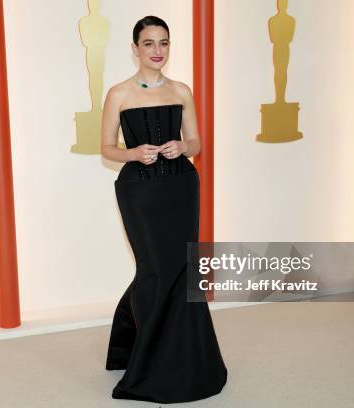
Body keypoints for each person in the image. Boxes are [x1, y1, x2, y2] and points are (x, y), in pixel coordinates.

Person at [101, 15, 228, 404]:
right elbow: (106, 148)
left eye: (164, 43)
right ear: (135, 48)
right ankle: (142, 353)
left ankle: (185, 357)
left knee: (182, 267)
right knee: (154, 268)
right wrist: (134, 153)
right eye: (149, 43)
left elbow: (197, 142)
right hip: (140, 191)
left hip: (180, 187)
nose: (158, 51)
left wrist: (183, 148)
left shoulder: (181, 90)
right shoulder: (119, 93)